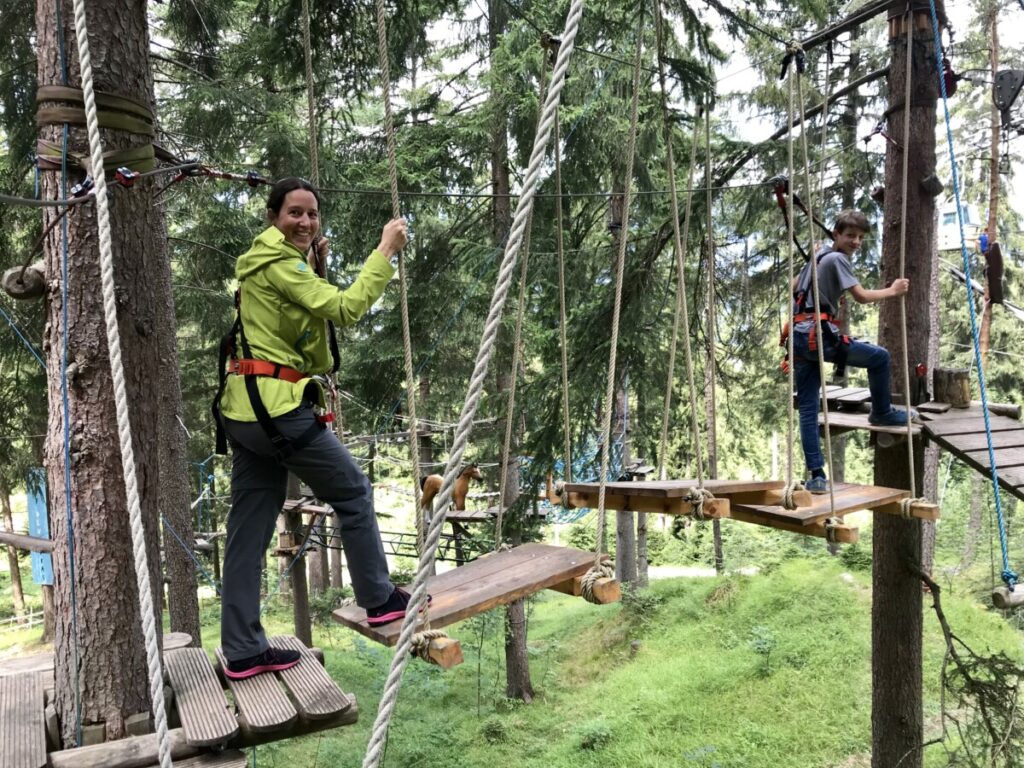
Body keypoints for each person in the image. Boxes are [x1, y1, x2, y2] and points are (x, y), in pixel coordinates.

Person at [213, 177, 417, 679]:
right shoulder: (281, 264)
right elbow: (345, 310)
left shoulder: (269, 263)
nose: (304, 222)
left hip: (246, 411)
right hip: (277, 410)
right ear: (273, 217)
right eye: (294, 213)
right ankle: (379, 598)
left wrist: (313, 266)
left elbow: (302, 339)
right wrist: (385, 253)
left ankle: (242, 650)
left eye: (311, 214)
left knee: (248, 529)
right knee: (352, 492)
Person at [790, 209, 918, 494]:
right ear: (836, 234)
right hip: (819, 337)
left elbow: (794, 287)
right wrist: (893, 291)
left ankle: (817, 475)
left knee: (809, 409)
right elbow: (861, 296)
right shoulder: (837, 259)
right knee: (880, 357)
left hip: (800, 337)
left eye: (860, 237)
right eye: (850, 236)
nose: (856, 242)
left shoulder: (819, 257)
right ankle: (882, 413)